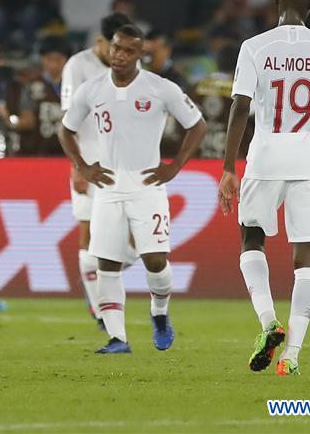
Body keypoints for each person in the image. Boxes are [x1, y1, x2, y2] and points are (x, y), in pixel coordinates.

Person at [217, 0, 310, 376]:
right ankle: (292, 356)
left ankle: (267, 322)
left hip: (266, 156)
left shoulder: (254, 47)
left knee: (251, 237)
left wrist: (228, 167)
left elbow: (240, 107)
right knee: (307, 256)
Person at [59, 24, 206, 355]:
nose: (119, 55)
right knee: (106, 265)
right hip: (108, 189)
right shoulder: (92, 89)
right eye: (115, 48)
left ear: (141, 55)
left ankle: (160, 313)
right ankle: (117, 339)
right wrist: (83, 166)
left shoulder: (160, 88)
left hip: (147, 187)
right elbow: (65, 129)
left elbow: (197, 125)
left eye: (128, 50)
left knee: (154, 260)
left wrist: (175, 165)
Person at [60, 14, 129, 330]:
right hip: (89, 162)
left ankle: (100, 283)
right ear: (100, 41)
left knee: (136, 240)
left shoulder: (129, 66)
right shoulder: (78, 66)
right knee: (87, 234)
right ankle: (100, 309)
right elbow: (68, 118)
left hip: (124, 166)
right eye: (114, 46)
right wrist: (78, 165)